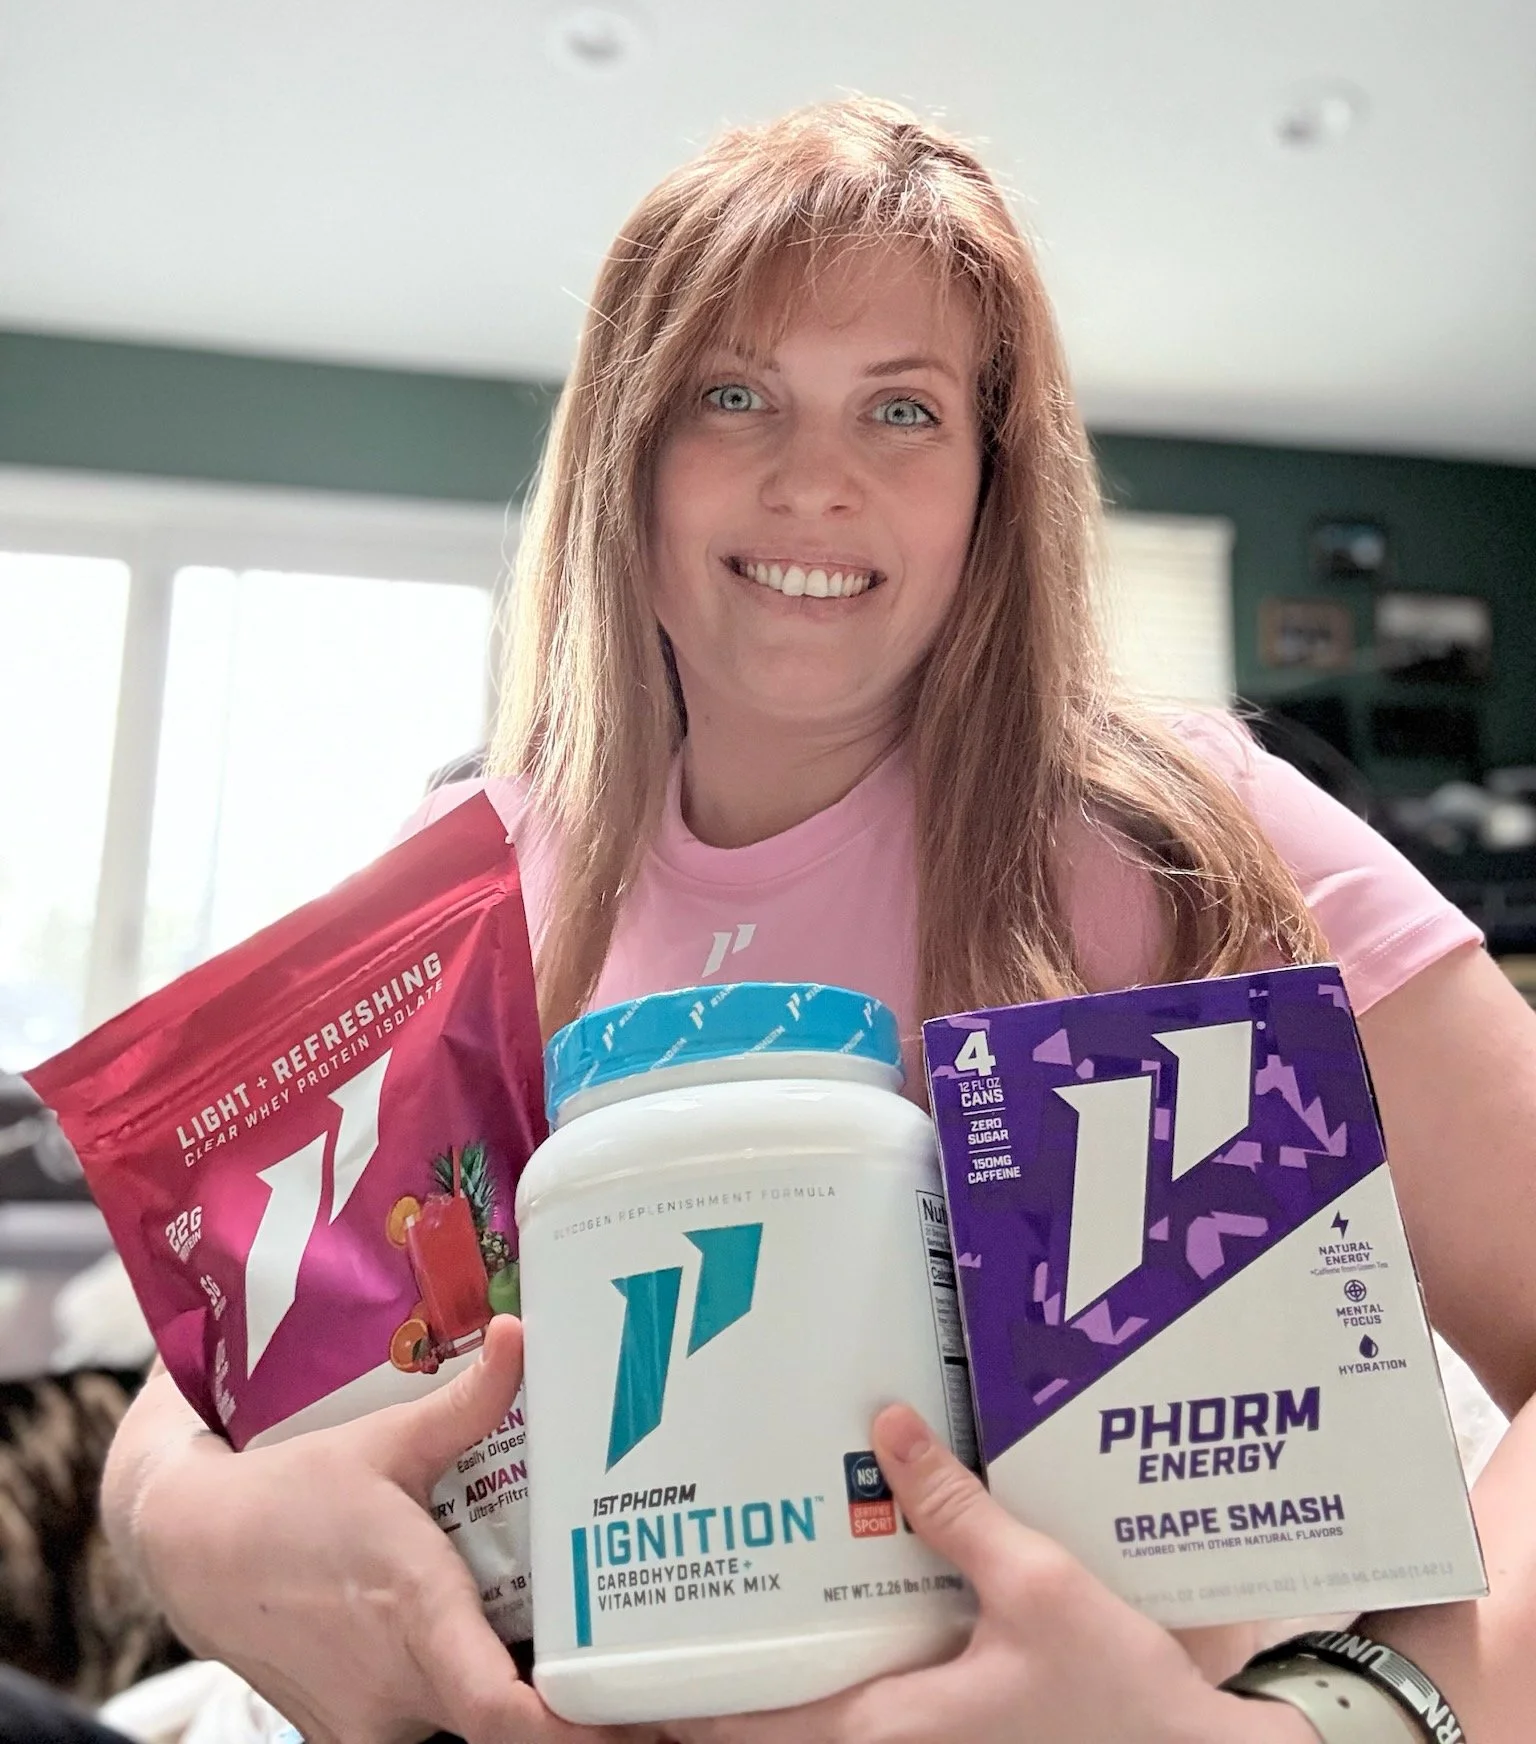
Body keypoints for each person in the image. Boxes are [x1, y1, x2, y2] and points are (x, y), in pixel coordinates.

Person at [102, 98, 1536, 1744]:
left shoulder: (1186, 839)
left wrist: (1308, 1733)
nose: (814, 483)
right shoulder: (468, 871)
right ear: (625, 453)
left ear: (995, 485)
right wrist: (184, 1529)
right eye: (734, 396)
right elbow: (204, 1383)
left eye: (904, 411)